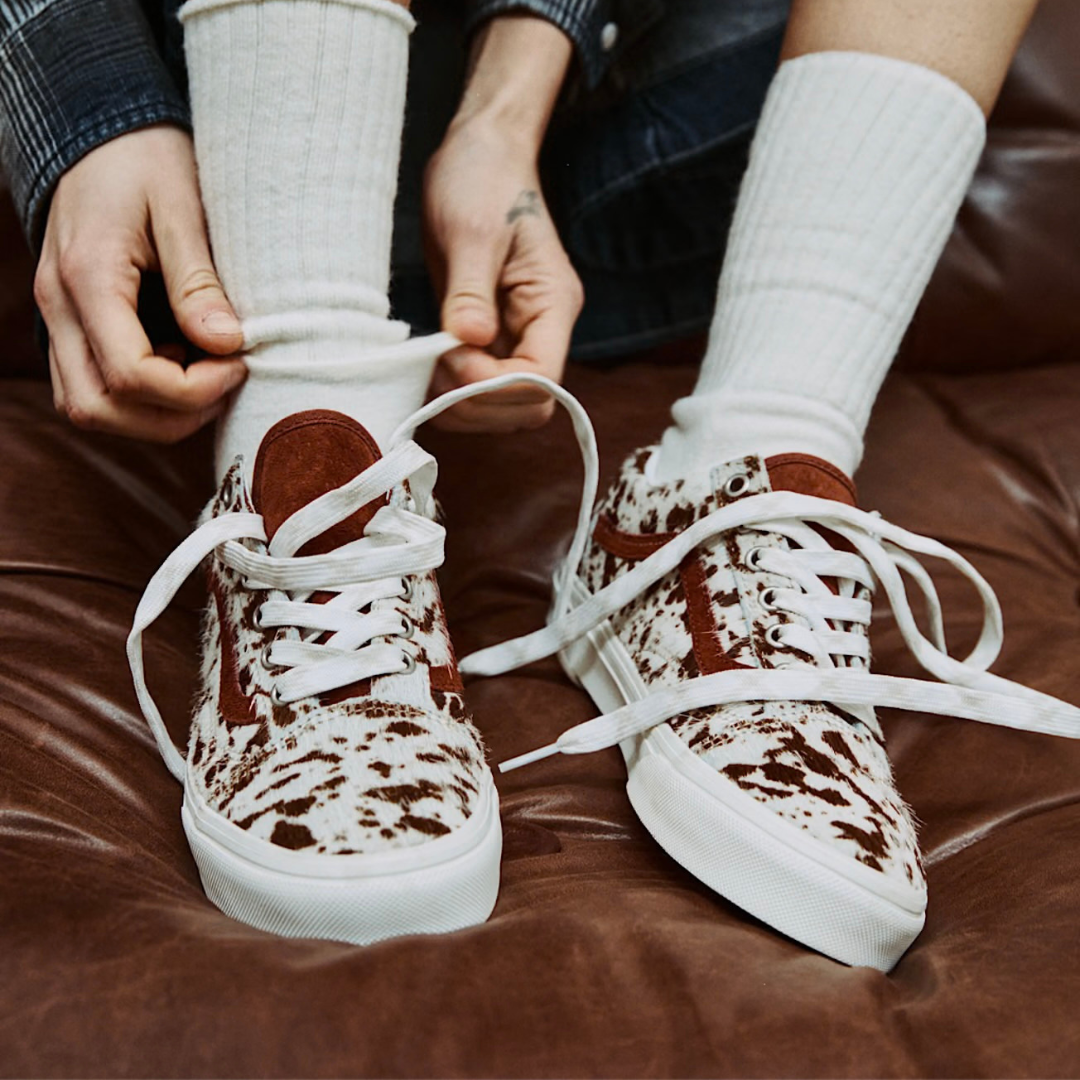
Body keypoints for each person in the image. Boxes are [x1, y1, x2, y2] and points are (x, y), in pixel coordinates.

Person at [3, 0, 1077, 970]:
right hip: (227, 132)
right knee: (300, 356)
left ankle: (745, 465)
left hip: (614, 160)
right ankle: (303, 436)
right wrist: (83, 98)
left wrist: (514, 86)